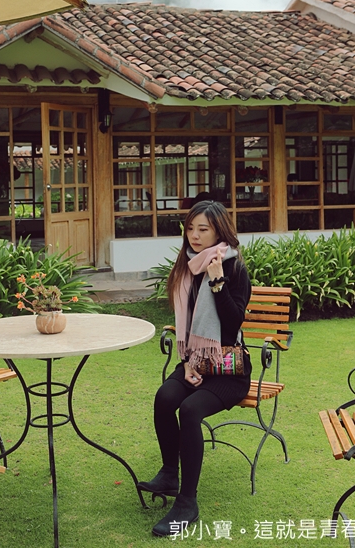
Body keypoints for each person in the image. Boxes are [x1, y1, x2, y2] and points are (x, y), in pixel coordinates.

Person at [137, 200, 252, 537]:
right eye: (190, 228)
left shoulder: (233, 269)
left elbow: (232, 324)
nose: (195, 235)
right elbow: (187, 327)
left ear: (219, 231)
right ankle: (169, 474)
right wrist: (188, 361)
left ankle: (187, 501)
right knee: (165, 397)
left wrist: (217, 282)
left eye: (203, 229)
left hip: (228, 370)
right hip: (196, 361)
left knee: (189, 410)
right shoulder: (188, 266)